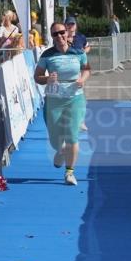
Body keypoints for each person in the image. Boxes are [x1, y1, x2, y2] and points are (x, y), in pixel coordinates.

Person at [34, 21, 90, 186]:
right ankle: (60, 150)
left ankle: (69, 172)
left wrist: (82, 79)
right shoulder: (47, 55)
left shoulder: (78, 52)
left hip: (75, 98)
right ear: (52, 37)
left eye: (61, 32)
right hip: (54, 100)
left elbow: (86, 69)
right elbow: (37, 77)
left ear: (67, 33)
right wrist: (47, 79)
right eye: (55, 34)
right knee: (55, 139)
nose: (59, 36)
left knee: (72, 136)